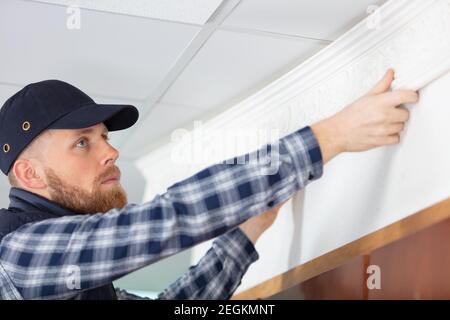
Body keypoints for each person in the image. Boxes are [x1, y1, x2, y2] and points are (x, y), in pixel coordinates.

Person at [0, 69, 418, 299]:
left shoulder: (78, 283)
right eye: (81, 143)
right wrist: (330, 136)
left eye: (105, 137)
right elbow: (162, 223)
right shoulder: (18, 255)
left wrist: (246, 232)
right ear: (30, 174)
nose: (110, 153)